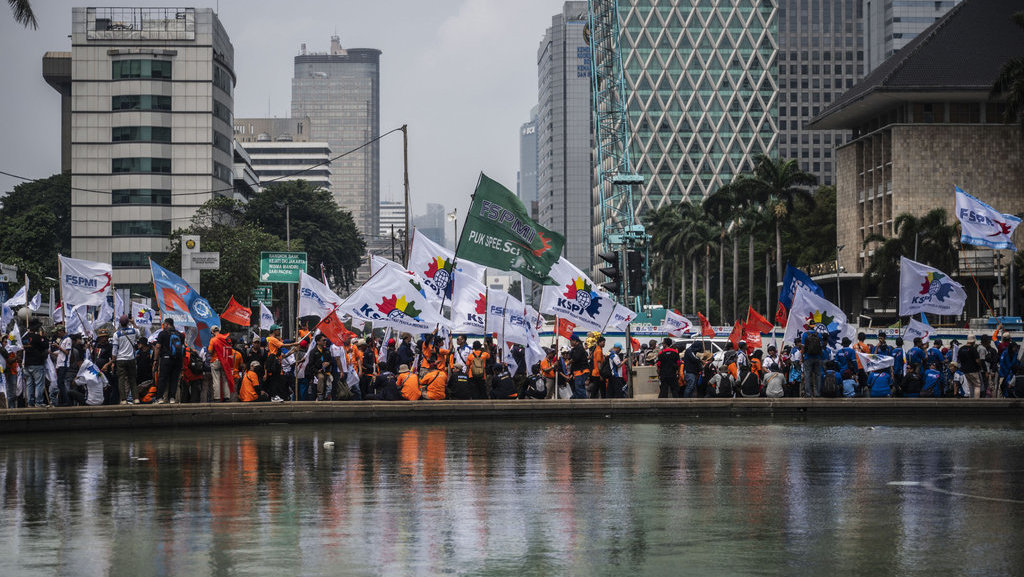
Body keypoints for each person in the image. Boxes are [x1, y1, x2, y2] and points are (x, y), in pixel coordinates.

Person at [153, 318, 184, 404]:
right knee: (174, 379)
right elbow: (182, 348)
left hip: (166, 359)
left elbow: (158, 347)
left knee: (162, 378)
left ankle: (159, 398)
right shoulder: (180, 335)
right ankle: (172, 398)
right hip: (177, 360)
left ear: (166, 324)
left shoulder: (163, 334)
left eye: (164, 324)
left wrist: (155, 360)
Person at [21, 319, 50, 407]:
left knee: (29, 384)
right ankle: (39, 402)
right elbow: (45, 345)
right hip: (37, 363)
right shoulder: (37, 337)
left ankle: (30, 402)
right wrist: (44, 337)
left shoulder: (24, 338)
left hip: (27, 363)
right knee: (39, 384)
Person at [208, 326, 234, 402]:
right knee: (225, 379)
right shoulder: (225, 338)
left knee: (216, 380)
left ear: (212, 332)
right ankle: (227, 397)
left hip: (215, 361)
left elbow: (210, 351)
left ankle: (217, 398)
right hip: (225, 361)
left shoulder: (213, 339)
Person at [801, 329, 824, 398]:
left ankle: (808, 394)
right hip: (817, 358)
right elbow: (821, 346)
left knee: (807, 376)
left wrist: (802, 357)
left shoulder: (805, 334)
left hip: (808, 357)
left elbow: (803, 347)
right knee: (818, 376)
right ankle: (817, 393)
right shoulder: (818, 334)